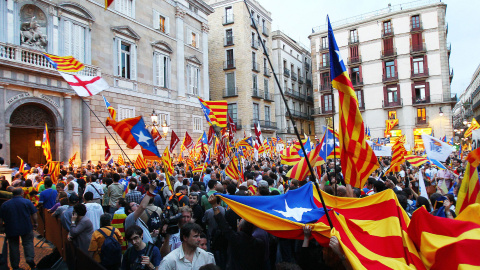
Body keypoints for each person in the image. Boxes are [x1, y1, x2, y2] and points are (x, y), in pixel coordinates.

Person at [0, 188, 37, 270]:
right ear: (22, 193)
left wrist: (1, 227)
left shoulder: (5, 204)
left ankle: (15, 265)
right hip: (26, 226)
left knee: (13, 246)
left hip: (11, 227)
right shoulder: (27, 202)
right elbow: (34, 214)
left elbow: (1, 219)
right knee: (28, 243)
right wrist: (35, 223)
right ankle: (29, 258)